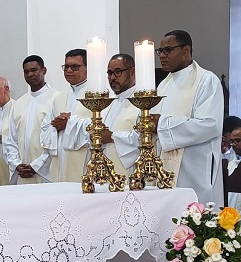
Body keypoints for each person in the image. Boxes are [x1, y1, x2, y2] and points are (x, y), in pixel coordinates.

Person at [151, 30, 224, 206]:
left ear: (186, 50)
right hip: (164, 167)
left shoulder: (207, 80)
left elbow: (210, 125)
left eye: (168, 50)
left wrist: (162, 123)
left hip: (194, 168)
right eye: (160, 51)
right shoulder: (163, 85)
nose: (162, 56)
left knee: (195, 220)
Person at [57, 54, 141, 175]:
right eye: (109, 73)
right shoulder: (109, 102)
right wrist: (70, 122)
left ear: (132, 72)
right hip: (103, 173)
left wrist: (112, 137)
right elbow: (91, 128)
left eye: (117, 72)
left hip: (128, 174)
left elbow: (145, 139)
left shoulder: (143, 103)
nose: (112, 77)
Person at [3, 55, 59, 184]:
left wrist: (37, 166)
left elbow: (56, 140)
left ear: (44, 70)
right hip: (22, 172)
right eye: (26, 71)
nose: (30, 74)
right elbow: (11, 139)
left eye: (34, 70)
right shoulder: (19, 103)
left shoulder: (56, 99)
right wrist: (17, 164)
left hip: (46, 173)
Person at [41, 49, 92, 182]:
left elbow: (103, 126)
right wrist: (56, 125)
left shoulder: (97, 95)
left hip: (87, 162)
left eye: (74, 67)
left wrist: (70, 123)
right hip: (61, 164)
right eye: (66, 67)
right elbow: (45, 127)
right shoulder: (59, 97)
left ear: (88, 68)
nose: (69, 70)